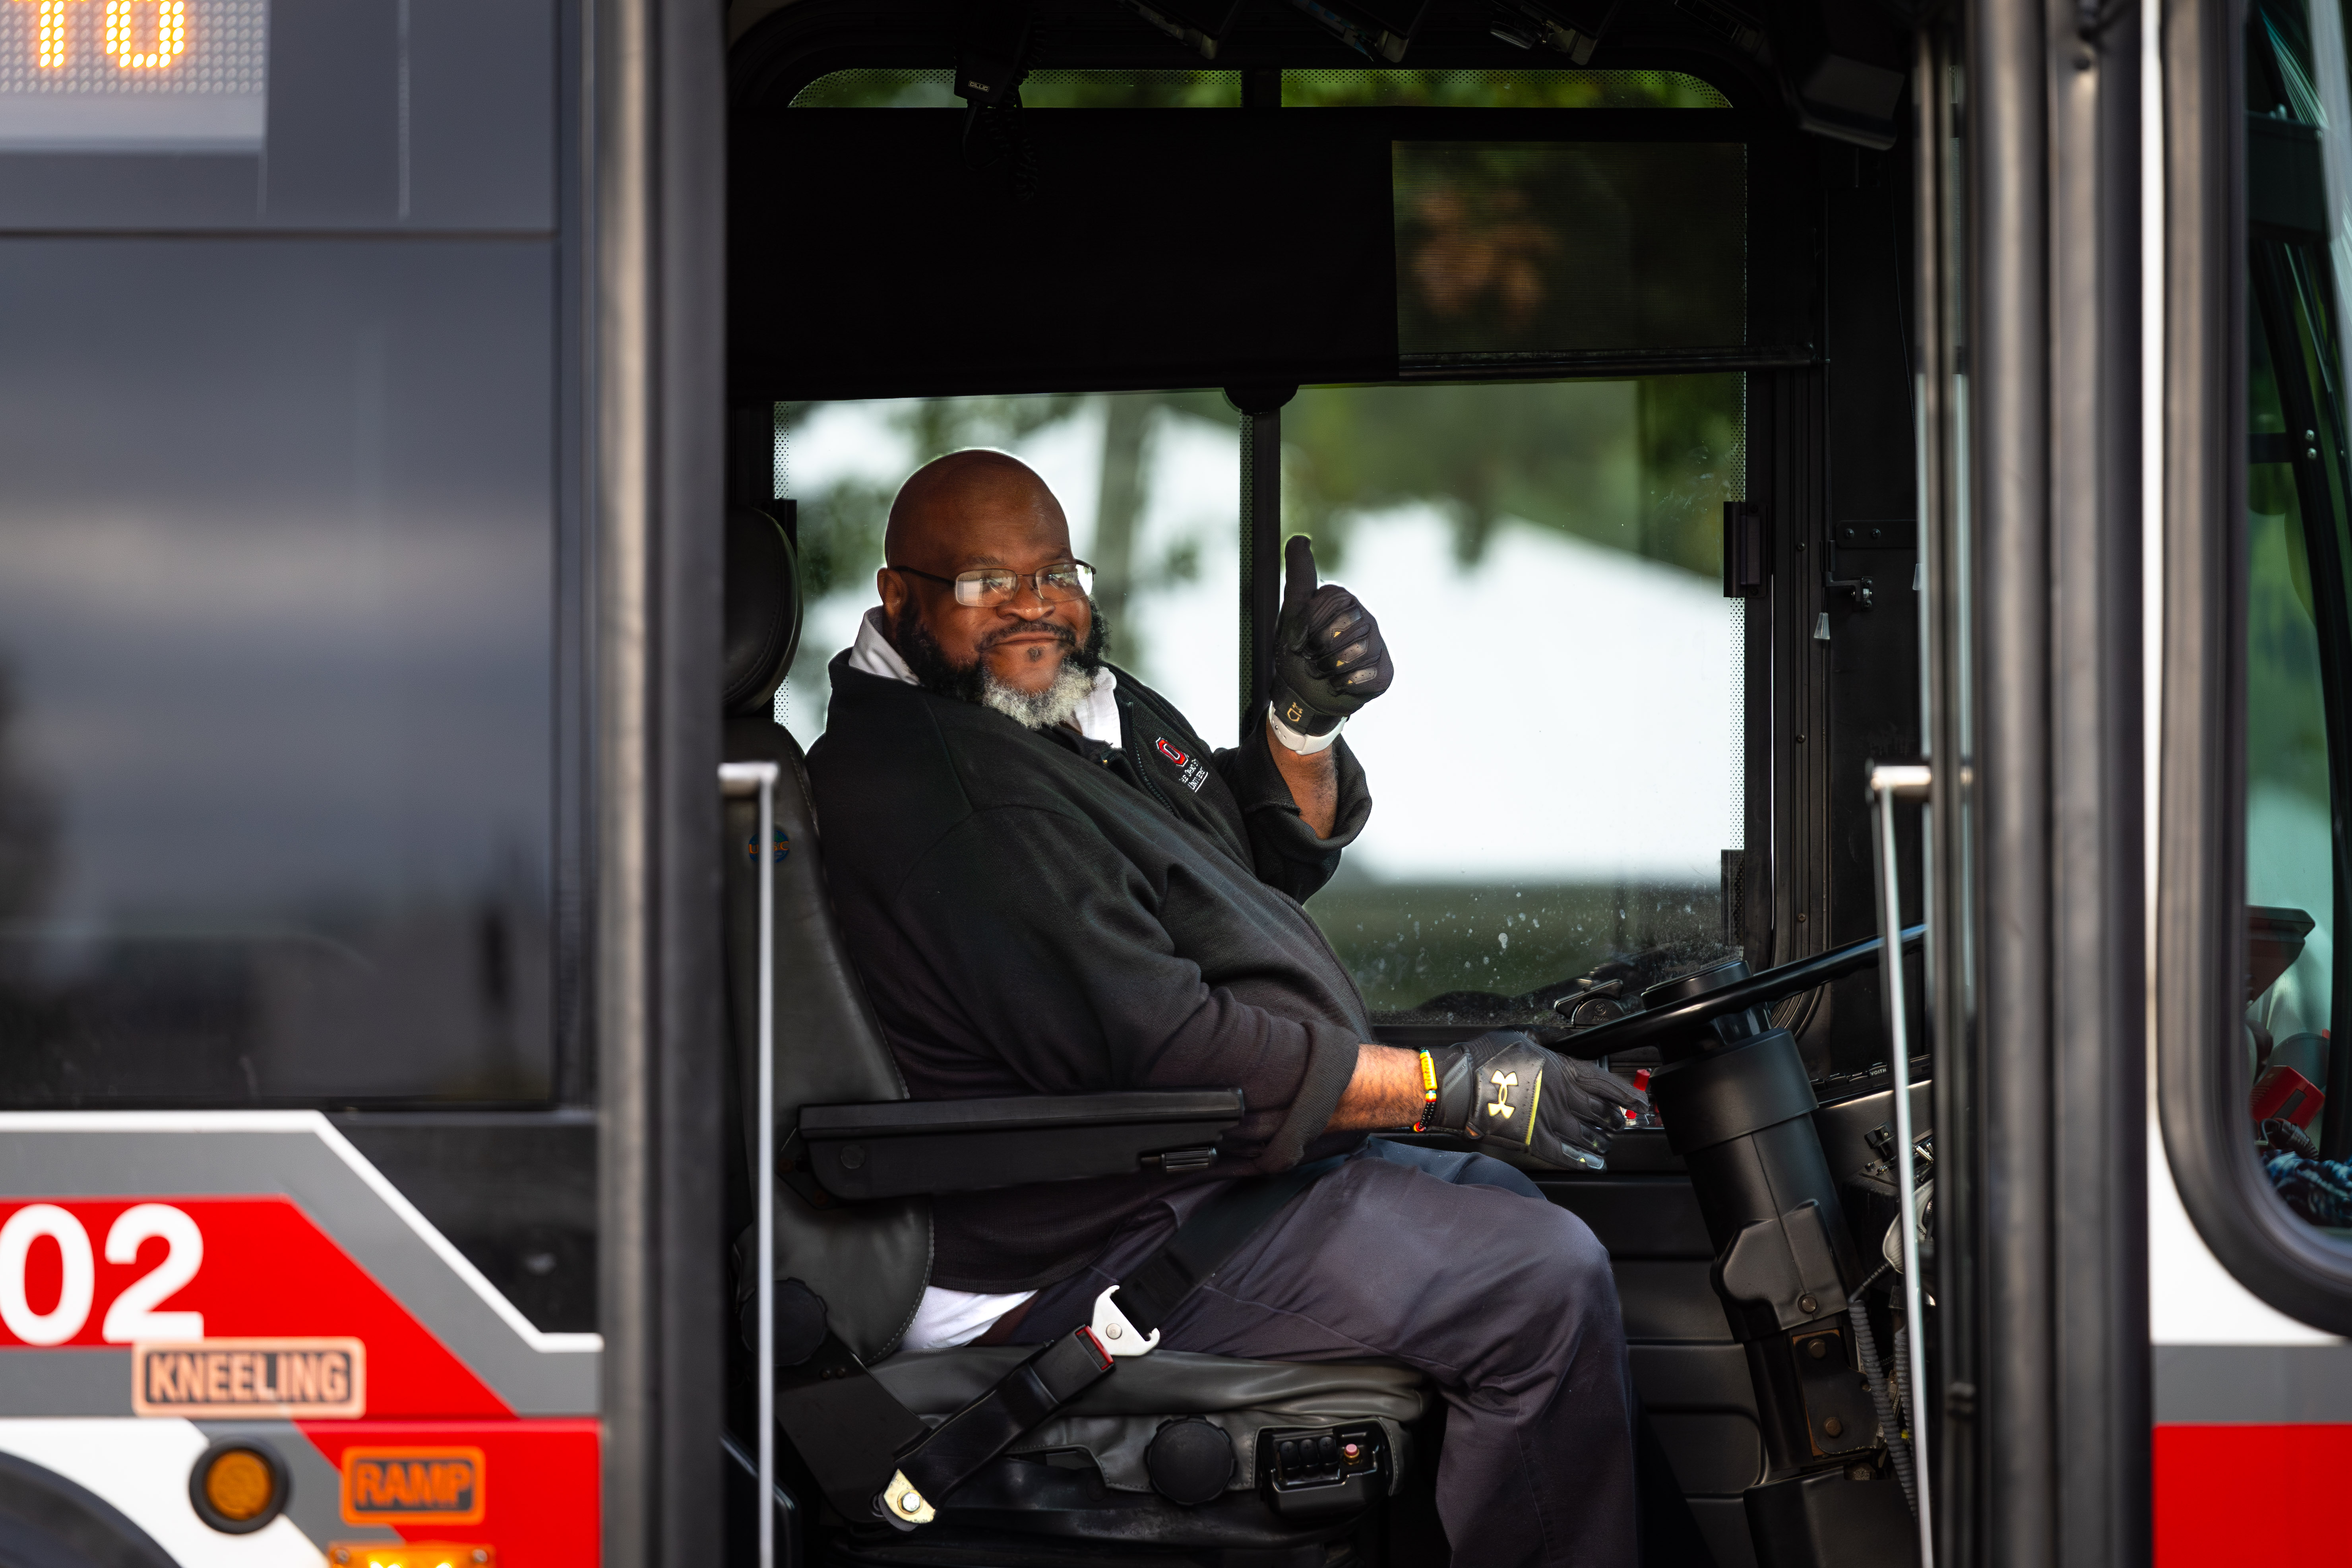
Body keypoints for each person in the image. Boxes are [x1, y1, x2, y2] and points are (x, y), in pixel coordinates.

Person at [806, 448, 1647, 1568]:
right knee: (1537, 1280)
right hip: (1072, 1236)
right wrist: (1447, 1088)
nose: (1035, 607)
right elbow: (1173, 1049)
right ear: (897, 597)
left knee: (1504, 1196)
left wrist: (1299, 728)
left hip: (1180, 1170)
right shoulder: (948, 792)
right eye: (985, 584)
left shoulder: (1054, 709)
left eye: (1057, 573)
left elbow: (1227, 880)